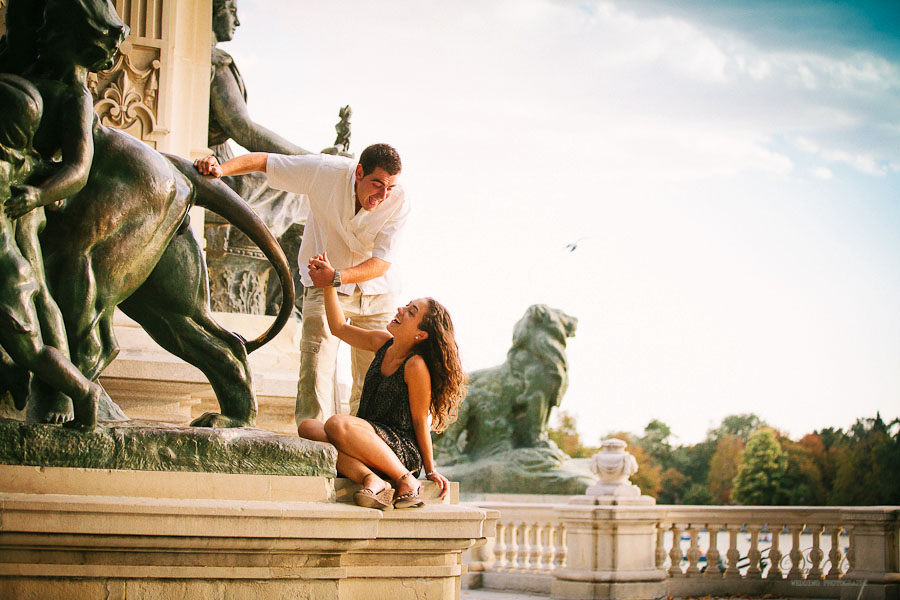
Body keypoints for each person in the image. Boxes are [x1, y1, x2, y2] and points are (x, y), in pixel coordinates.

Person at [194, 143, 410, 425]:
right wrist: (220, 169)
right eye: (377, 184)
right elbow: (264, 162)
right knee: (315, 365)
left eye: (390, 187)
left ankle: (366, 447)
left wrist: (336, 275)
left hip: (376, 291)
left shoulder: (400, 200)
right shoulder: (324, 171)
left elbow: (381, 262)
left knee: (374, 376)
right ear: (359, 172)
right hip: (324, 287)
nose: (382, 195)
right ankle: (314, 440)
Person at [296, 252, 465, 509]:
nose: (400, 310)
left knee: (337, 424)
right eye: (406, 306)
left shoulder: (415, 366)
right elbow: (338, 327)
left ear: (420, 334)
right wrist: (328, 284)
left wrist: (430, 470)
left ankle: (405, 480)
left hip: (400, 451)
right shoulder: (381, 343)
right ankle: (372, 479)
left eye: (411, 312)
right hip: (368, 437)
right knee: (308, 428)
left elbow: (420, 421)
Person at [0, 73, 104, 430]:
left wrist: (41, 196)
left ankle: (83, 392)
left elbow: (71, 171)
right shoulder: (17, 162)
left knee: (34, 351)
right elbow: (46, 168)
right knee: (27, 348)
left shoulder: (3, 167)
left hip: (7, 281)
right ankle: (13, 375)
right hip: (12, 273)